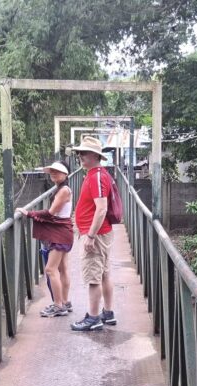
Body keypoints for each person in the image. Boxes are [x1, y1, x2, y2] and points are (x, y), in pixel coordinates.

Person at [69, 136, 117, 332]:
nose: (80, 156)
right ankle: (108, 313)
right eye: (79, 153)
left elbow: (101, 208)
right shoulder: (95, 175)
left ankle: (93, 318)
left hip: (95, 235)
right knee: (104, 273)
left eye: (85, 153)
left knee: (93, 277)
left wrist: (90, 236)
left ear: (96, 156)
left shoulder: (97, 176)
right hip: (100, 232)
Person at [16, 161, 73, 317]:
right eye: (52, 171)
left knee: (50, 269)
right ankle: (65, 302)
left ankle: (58, 305)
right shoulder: (61, 188)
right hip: (63, 231)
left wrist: (29, 213)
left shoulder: (63, 190)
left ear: (65, 174)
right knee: (62, 269)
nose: (53, 173)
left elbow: (51, 213)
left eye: (57, 171)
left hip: (60, 233)